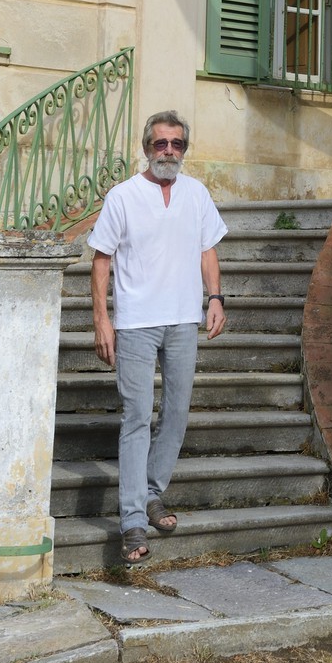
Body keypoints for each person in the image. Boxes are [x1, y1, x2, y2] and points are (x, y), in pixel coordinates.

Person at [89, 110, 227, 564]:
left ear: (184, 149)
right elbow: (101, 260)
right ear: (147, 147)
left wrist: (215, 297)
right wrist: (101, 319)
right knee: (135, 416)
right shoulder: (123, 196)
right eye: (161, 143)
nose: (169, 151)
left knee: (178, 412)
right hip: (134, 323)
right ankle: (131, 521)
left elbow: (208, 249)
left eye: (177, 144)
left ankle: (151, 493)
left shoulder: (197, 193)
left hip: (184, 320)